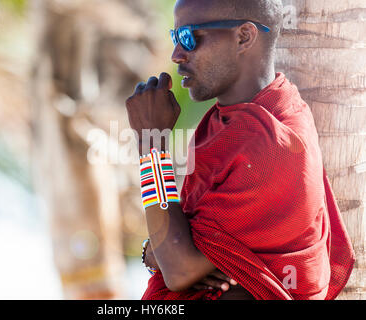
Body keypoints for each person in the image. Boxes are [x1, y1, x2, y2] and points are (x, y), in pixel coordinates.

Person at [125, 0, 355, 300]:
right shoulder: (234, 119)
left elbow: (180, 269)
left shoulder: (270, 140)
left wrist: (150, 145)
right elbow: (178, 253)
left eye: (189, 37)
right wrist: (158, 251)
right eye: (175, 37)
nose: (177, 55)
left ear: (244, 36)